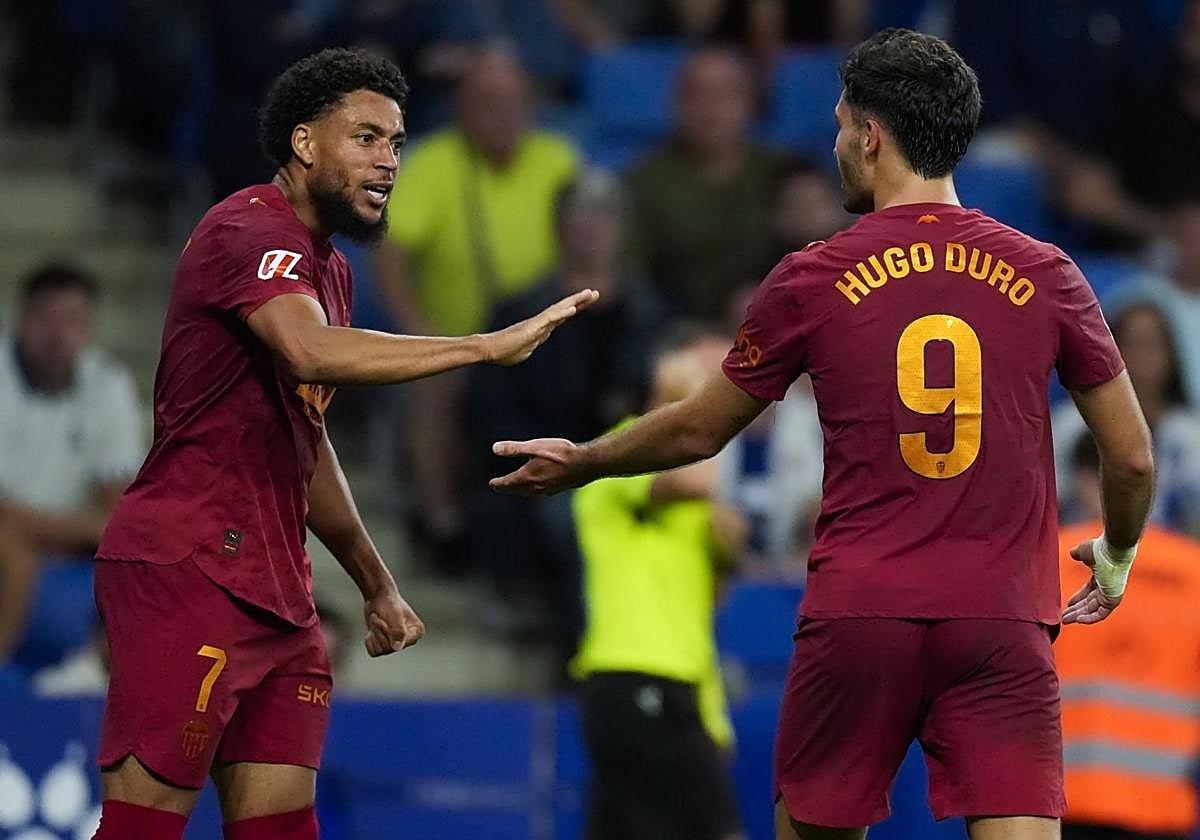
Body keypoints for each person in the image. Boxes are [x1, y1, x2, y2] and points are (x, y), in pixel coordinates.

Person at [491, 28, 1156, 840]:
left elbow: (702, 431)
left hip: (860, 617)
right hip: (1002, 619)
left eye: (842, 125)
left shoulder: (814, 276)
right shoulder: (1048, 272)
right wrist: (1117, 555)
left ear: (870, 136)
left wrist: (585, 460)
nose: (838, 144)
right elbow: (1129, 456)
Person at [89, 47, 596, 840]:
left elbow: (307, 438)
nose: (388, 161)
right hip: (187, 565)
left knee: (282, 830)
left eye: (395, 143)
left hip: (277, 586)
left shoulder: (331, 273)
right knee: (144, 826)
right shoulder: (247, 227)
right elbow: (308, 353)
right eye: (365, 138)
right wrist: (481, 346)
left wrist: (375, 582)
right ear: (304, 144)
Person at [372, 44, 580, 572]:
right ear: (461, 107)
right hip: (458, 341)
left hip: (547, 340)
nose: (503, 115)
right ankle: (446, 524)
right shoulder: (433, 163)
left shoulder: (558, 159)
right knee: (433, 383)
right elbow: (391, 255)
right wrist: (419, 332)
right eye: (487, 102)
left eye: (513, 102)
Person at [465, 169, 662, 650]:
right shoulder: (520, 314)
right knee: (571, 520)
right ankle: (582, 652)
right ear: (559, 228)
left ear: (623, 228)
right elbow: (489, 411)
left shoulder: (653, 313)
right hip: (551, 470)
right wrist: (546, 458)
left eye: (605, 217)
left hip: (639, 469)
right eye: (581, 217)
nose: (593, 229)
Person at [571, 322, 747, 840]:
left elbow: (704, 603)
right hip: (634, 678)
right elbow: (693, 473)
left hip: (674, 687)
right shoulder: (619, 449)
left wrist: (712, 716)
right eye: (711, 372)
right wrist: (699, 414)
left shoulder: (703, 506)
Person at [0, 264, 143, 672]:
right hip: (16, 545)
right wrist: (71, 530)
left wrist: (50, 533)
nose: (58, 333)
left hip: (69, 552)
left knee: (153, 548)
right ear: (21, 318)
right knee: (13, 548)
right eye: (45, 317)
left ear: (90, 328)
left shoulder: (107, 384)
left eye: (73, 320)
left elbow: (116, 509)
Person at [1057, 433, 1200, 840]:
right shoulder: (1194, 571)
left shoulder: (1048, 558)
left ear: (1085, 480)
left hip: (1060, 807)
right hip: (1162, 810)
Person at [625, 47, 791, 321]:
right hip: (677, 331)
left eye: (724, 94)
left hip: (779, 324)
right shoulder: (644, 181)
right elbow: (633, 278)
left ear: (750, 103)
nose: (709, 107)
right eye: (696, 94)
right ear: (676, 103)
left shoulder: (784, 173)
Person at [1053, 303, 1200, 537]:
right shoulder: (1069, 424)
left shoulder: (1188, 435)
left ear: (1172, 356)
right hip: (1074, 553)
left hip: (1168, 563)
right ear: (1109, 350)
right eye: (1131, 343)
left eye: (1152, 345)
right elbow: (1046, 505)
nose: (1142, 356)